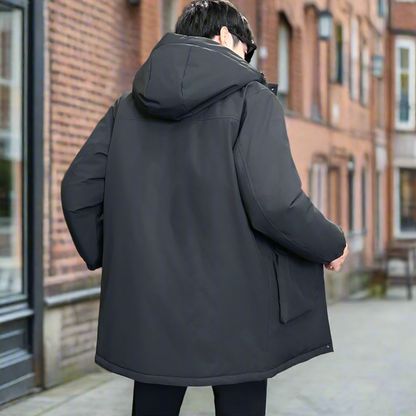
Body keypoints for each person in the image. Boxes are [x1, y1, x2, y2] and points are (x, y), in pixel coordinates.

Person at [60, 0, 349, 415]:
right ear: (226, 37)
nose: (248, 60)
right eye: (247, 49)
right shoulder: (251, 99)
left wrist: (117, 253)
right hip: (239, 309)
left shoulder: (127, 106)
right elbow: (275, 202)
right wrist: (331, 243)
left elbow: (78, 189)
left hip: (152, 306)